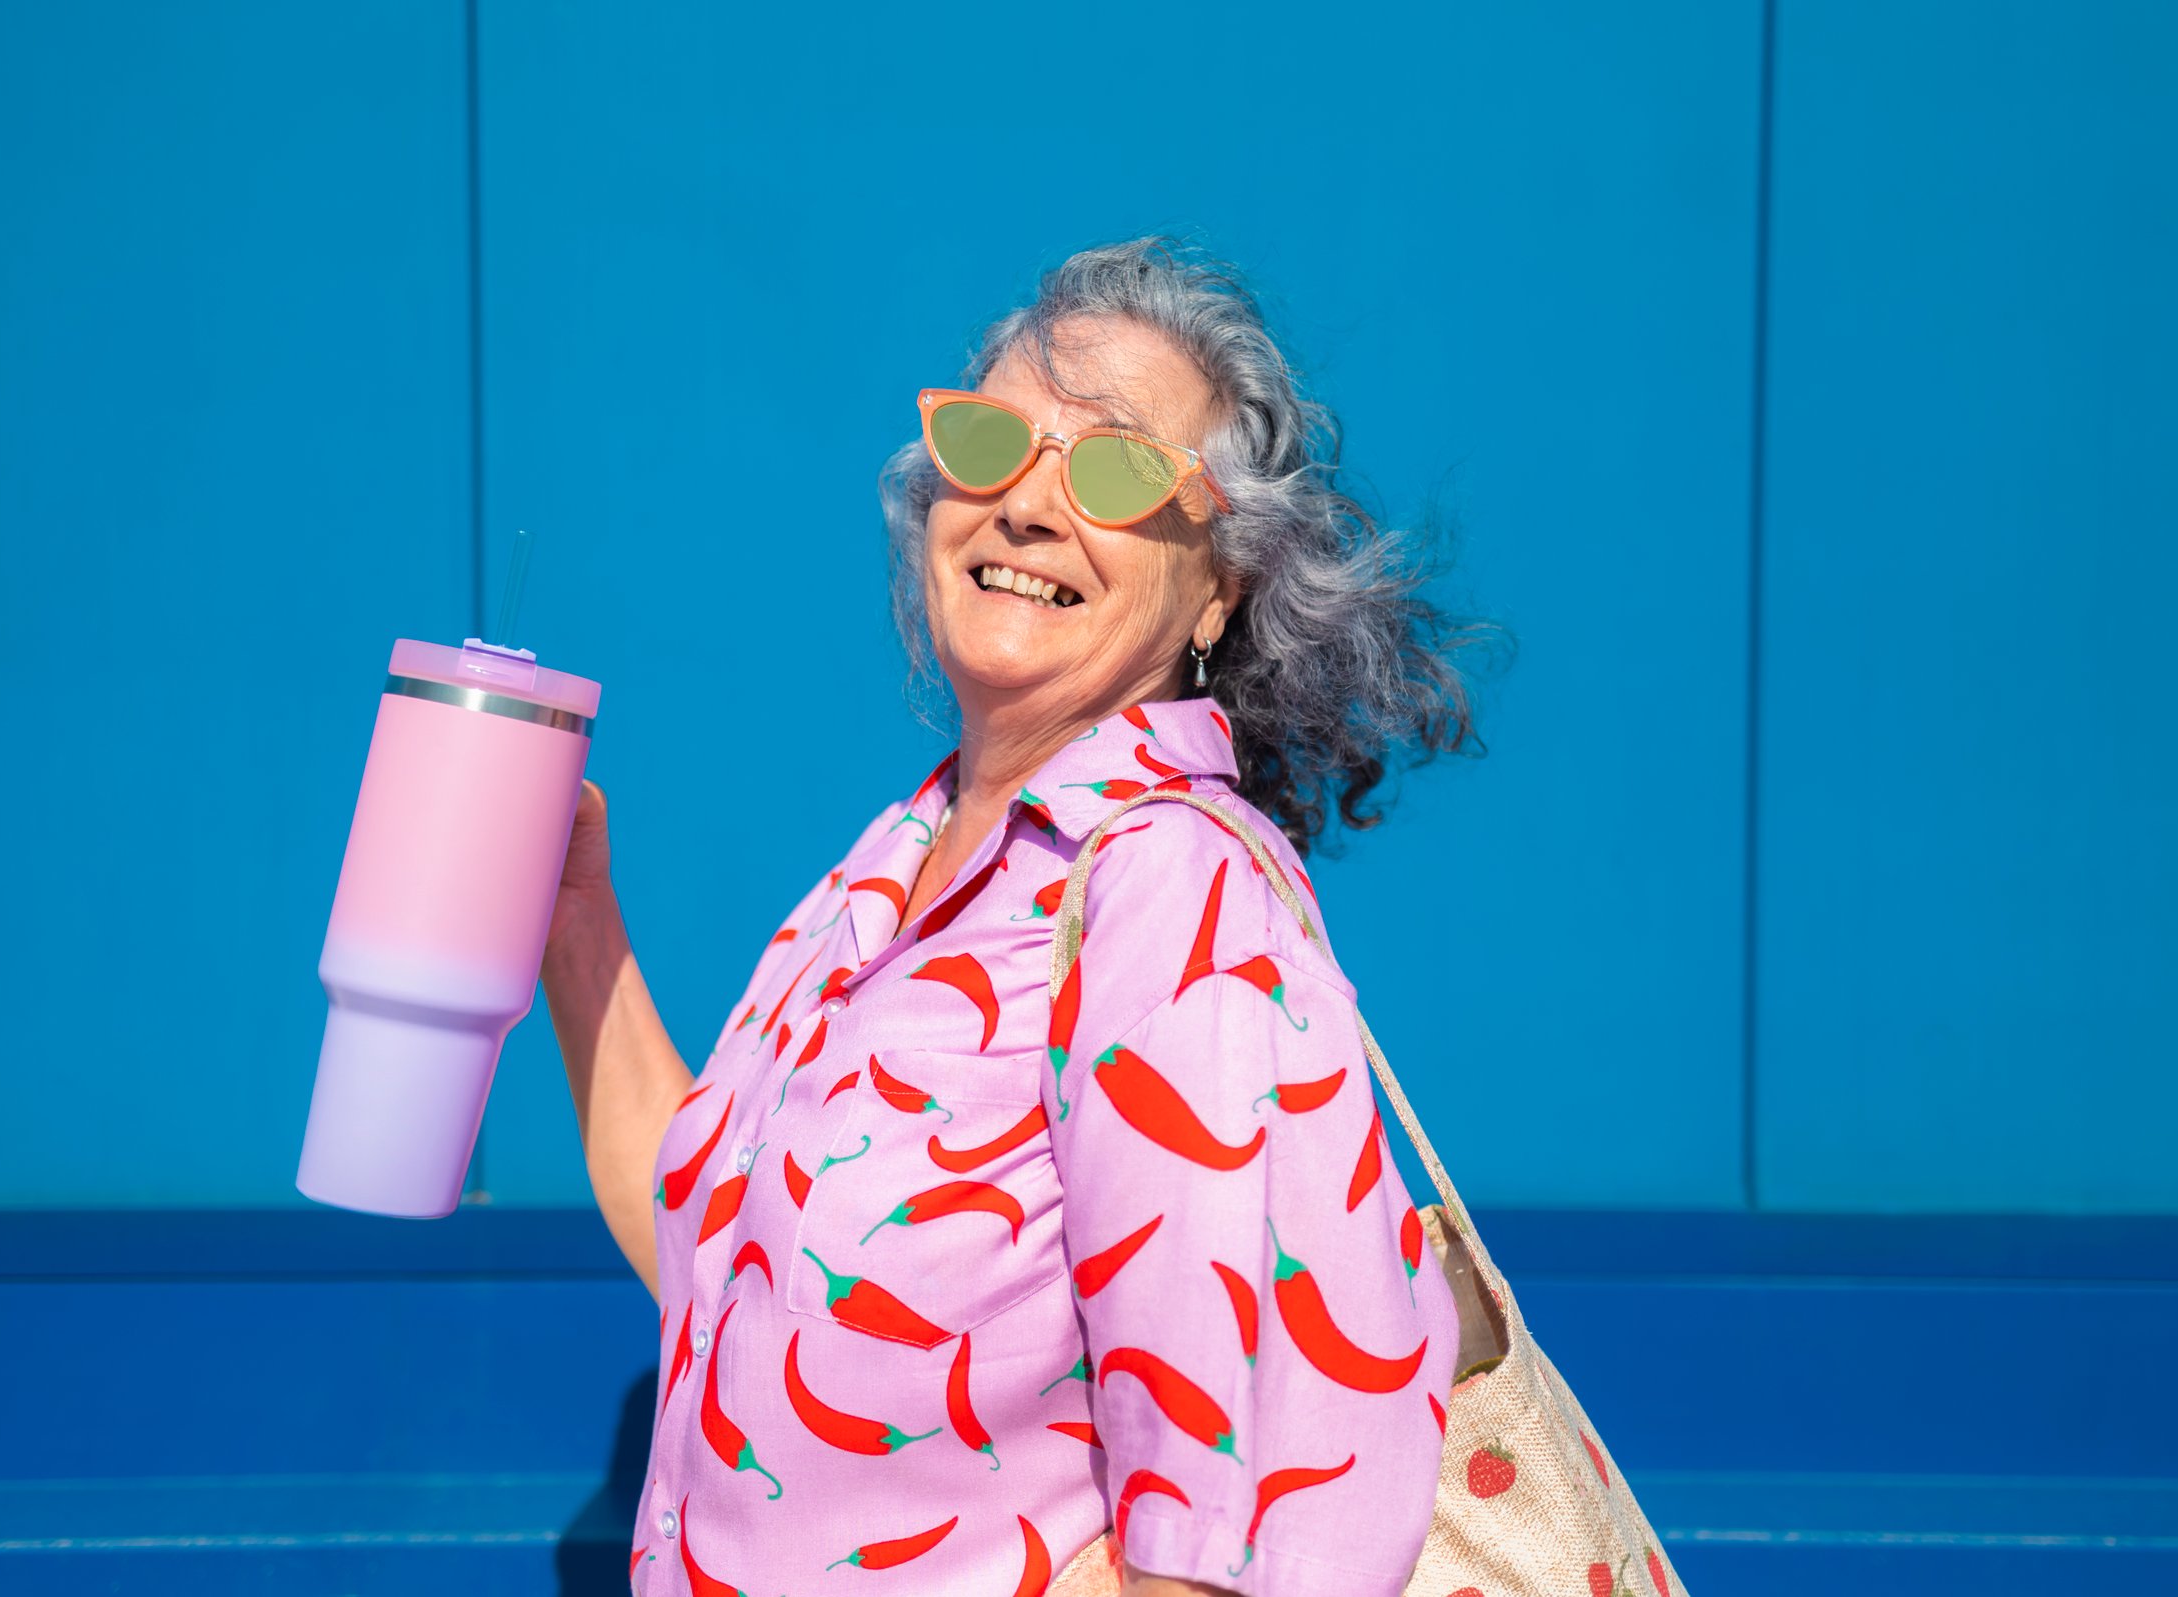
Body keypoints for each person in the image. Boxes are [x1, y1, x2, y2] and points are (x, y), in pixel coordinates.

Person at [543, 236, 1494, 1596]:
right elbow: (723, 1262)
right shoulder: (908, 859)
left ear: (1219, 583)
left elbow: (1229, 1545)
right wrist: (579, 932)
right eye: (992, 444)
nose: (1027, 508)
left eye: (1111, 468)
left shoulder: (1176, 898)